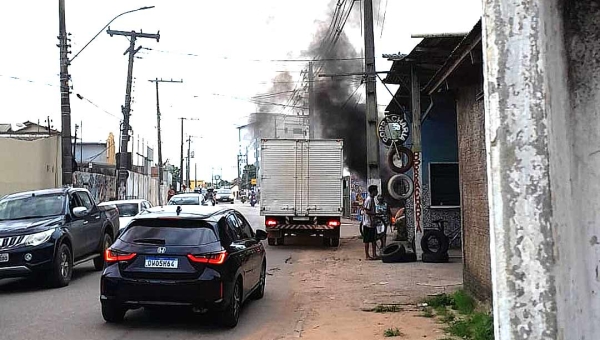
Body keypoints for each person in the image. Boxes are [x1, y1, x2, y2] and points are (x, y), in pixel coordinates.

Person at [362, 185, 379, 260]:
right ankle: (367, 255)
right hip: (368, 223)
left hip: (372, 223)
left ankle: (374, 254)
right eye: (376, 190)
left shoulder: (372, 199)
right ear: (373, 191)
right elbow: (366, 211)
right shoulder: (369, 200)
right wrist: (374, 214)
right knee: (367, 240)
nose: (377, 192)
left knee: (373, 240)